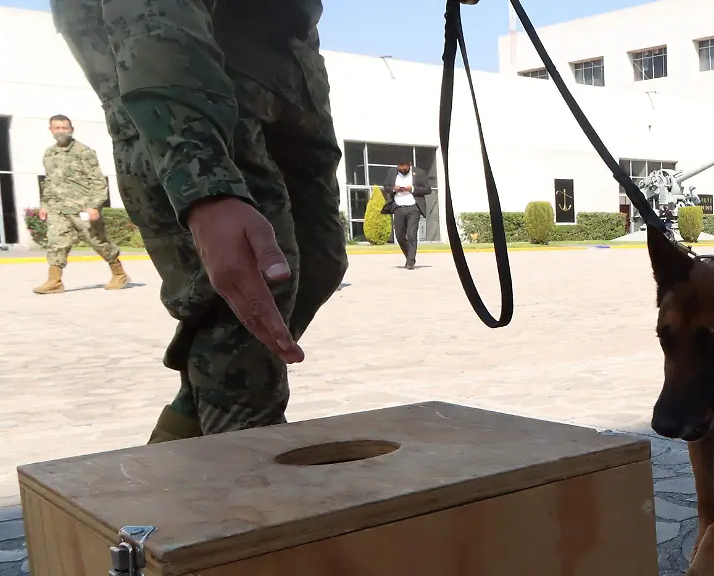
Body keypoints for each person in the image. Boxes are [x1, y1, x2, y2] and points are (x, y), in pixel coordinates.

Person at [52, 0, 483, 441]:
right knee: (248, 294)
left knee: (319, 262)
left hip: (286, 57)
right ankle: (240, 489)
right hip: (185, 55)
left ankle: (178, 458)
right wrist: (206, 186)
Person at [33, 114, 131, 293]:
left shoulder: (83, 152)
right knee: (56, 243)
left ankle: (119, 274)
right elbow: (48, 182)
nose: (61, 131)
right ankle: (54, 282)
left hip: (82, 208)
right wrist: (45, 205)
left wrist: (94, 205)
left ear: (71, 129)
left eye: (65, 128)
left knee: (98, 241)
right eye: (57, 128)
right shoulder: (49, 154)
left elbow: (98, 181)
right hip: (58, 209)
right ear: (51, 130)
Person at [382, 160, 431, 269]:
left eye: (405, 169)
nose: (403, 170)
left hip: (414, 207)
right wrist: (393, 189)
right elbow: (386, 187)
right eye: (400, 169)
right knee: (399, 235)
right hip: (398, 207)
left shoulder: (420, 173)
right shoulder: (392, 172)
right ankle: (409, 257)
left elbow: (428, 189)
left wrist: (412, 189)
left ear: (409, 165)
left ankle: (411, 261)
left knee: (411, 234)